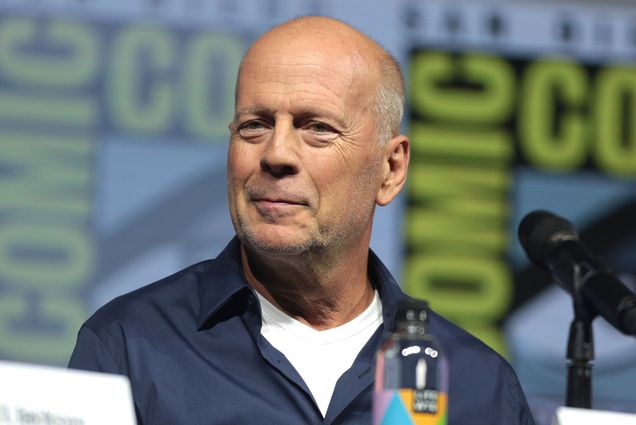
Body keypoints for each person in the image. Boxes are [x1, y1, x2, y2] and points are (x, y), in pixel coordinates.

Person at [69, 16, 535, 425]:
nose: (276, 154)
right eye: (254, 124)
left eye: (317, 128)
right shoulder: (128, 346)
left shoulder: (481, 388)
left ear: (390, 170)